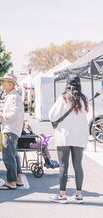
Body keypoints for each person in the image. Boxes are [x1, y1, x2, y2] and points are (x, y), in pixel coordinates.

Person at [48, 74, 89, 204]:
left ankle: (62, 195)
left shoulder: (63, 98)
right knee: (78, 165)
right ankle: (78, 195)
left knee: (63, 166)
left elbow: (52, 115)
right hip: (79, 137)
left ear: (67, 84)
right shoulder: (84, 100)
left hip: (64, 136)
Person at [0, 73, 25, 190]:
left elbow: (14, 114)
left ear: (11, 84)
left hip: (10, 130)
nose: (2, 84)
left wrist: (1, 114)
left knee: (8, 156)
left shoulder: (13, 97)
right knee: (13, 155)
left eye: (4, 82)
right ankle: (18, 178)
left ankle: (11, 181)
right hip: (12, 129)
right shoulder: (13, 96)